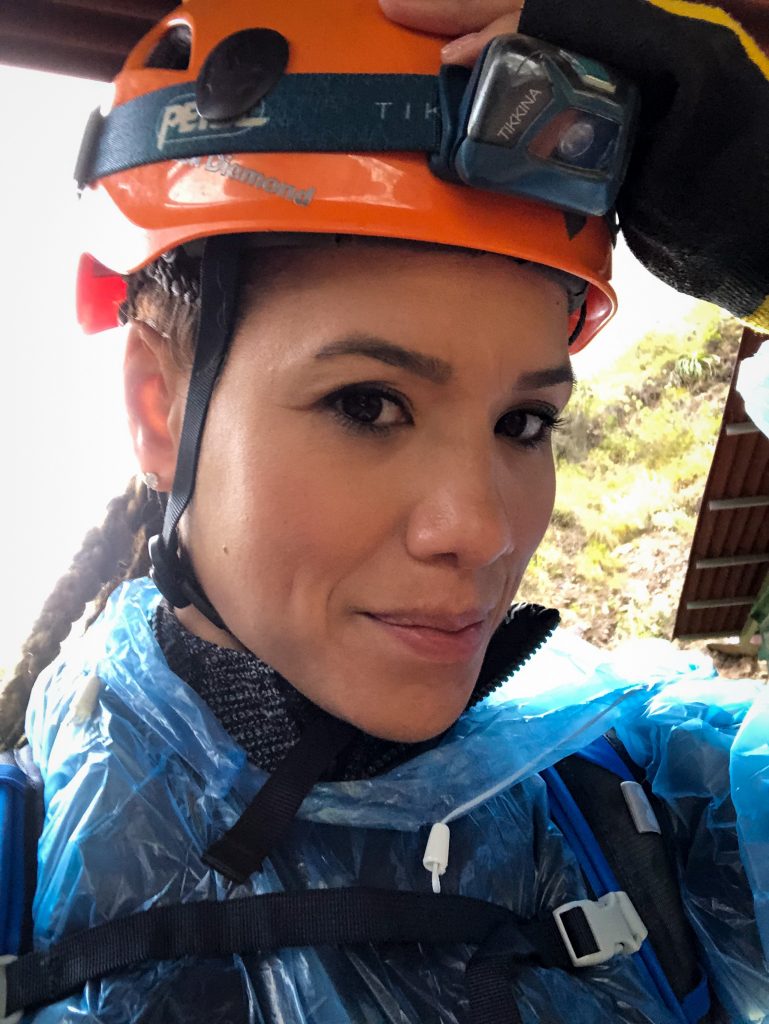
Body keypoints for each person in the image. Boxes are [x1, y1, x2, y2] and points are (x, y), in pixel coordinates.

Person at [1, 1, 769, 1022]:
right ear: (159, 407)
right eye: (368, 404)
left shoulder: (643, 792)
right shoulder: (31, 875)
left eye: (523, 424)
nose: (483, 530)